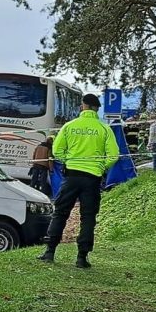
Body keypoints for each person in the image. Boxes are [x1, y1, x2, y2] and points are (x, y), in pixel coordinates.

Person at [38, 93, 120, 269]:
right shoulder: (104, 128)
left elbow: (57, 151)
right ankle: (82, 258)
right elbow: (114, 155)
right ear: (97, 108)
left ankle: (49, 252)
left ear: (83, 106)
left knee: (60, 213)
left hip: (72, 176)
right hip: (92, 178)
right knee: (88, 217)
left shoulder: (69, 126)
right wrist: (101, 167)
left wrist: (69, 160)